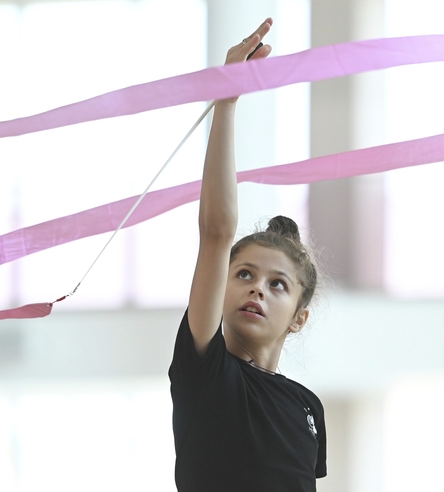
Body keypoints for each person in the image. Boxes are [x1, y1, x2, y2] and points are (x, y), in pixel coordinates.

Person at [168, 17, 327, 491]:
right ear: (220, 290)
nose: (258, 286)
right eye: (244, 274)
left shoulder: (306, 406)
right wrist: (227, 99)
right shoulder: (207, 370)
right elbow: (216, 231)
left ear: (299, 317)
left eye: (278, 284)